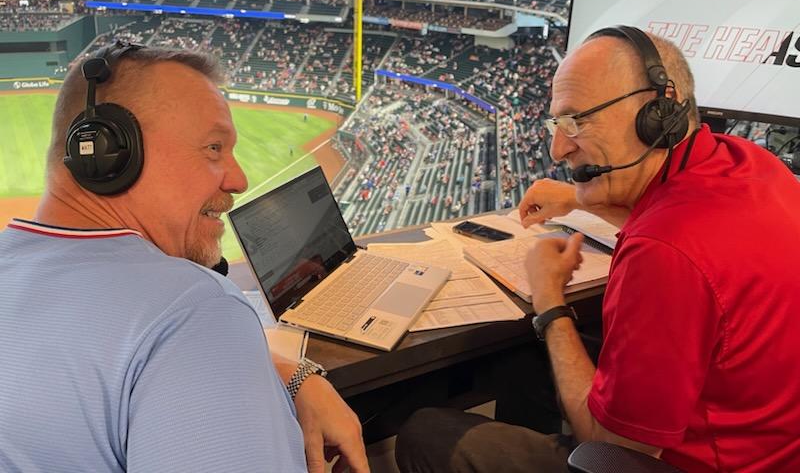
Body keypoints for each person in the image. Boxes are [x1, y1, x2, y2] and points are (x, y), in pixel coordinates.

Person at [395, 27, 800, 472]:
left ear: (656, 112)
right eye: (557, 123)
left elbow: (611, 447)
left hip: (679, 463)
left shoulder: (664, 253)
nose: (558, 148)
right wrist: (579, 199)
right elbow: (692, 228)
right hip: (770, 447)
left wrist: (549, 301)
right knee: (522, 368)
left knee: (426, 431)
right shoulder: (750, 163)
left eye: (578, 121)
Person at [0, 43, 369, 473]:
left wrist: (286, 371)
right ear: (108, 153)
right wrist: (222, 342)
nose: (239, 179)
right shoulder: (196, 309)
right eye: (214, 148)